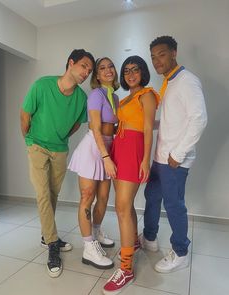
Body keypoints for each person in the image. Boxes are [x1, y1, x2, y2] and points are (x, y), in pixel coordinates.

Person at [20, 49, 95, 278]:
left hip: (60, 149)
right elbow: (25, 115)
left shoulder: (82, 98)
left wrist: (62, 137)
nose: (86, 73)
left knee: (53, 193)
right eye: (84, 66)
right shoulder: (42, 85)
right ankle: (52, 245)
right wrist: (30, 141)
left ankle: (46, 235)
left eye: (89, 70)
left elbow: (77, 124)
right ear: (71, 63)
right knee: (42, 193)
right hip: (37, 146)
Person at [141, 35, 207, 273]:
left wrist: (178, 154)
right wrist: (149, 123)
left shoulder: (187, 81)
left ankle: (180, 252)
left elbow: (199, 119)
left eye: (162, 54)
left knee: (173, 205)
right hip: (161, 158)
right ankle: (149, 238)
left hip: (174, 161)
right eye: (153, 57)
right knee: (151, 196)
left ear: (174, 52)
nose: (157, 61)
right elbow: (175, 119)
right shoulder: (169, 82)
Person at [103, 56, 160, 294]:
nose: (130, 73)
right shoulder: (126, 97)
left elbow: (148, 128)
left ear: (143, 72)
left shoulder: (147, 94)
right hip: (120, 148)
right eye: (126, 70)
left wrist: (145, 159)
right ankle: (133, 242)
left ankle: (126, 268)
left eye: (135, 69)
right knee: (125, 207)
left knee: (121, 207)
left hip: (133, 150)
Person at [68, 57, 119, 270]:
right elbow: (96, 128)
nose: (107, 70)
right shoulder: (96, 95)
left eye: (110, 66)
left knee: (104, 197)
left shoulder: (115, 97)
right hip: (93, 149)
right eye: (102, 68)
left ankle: (96, 231)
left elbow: (114, 129)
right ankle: (89, 247)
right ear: (97, 75)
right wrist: (106, 158)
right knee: (87, 197)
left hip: (108, 147)